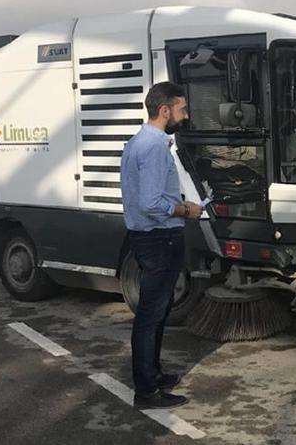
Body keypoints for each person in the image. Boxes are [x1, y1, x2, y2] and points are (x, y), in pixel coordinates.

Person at [120, 81, 203, 409]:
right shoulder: (154, 147)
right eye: (182, 109)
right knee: (150, 315)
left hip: (147, 237)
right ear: (165, 110)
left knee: (155, 311)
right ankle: (146, 391)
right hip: (159, 238)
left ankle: (152, 374)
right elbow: (153, 202)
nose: (186, 115)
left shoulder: (137, 142)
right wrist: (186, 209)